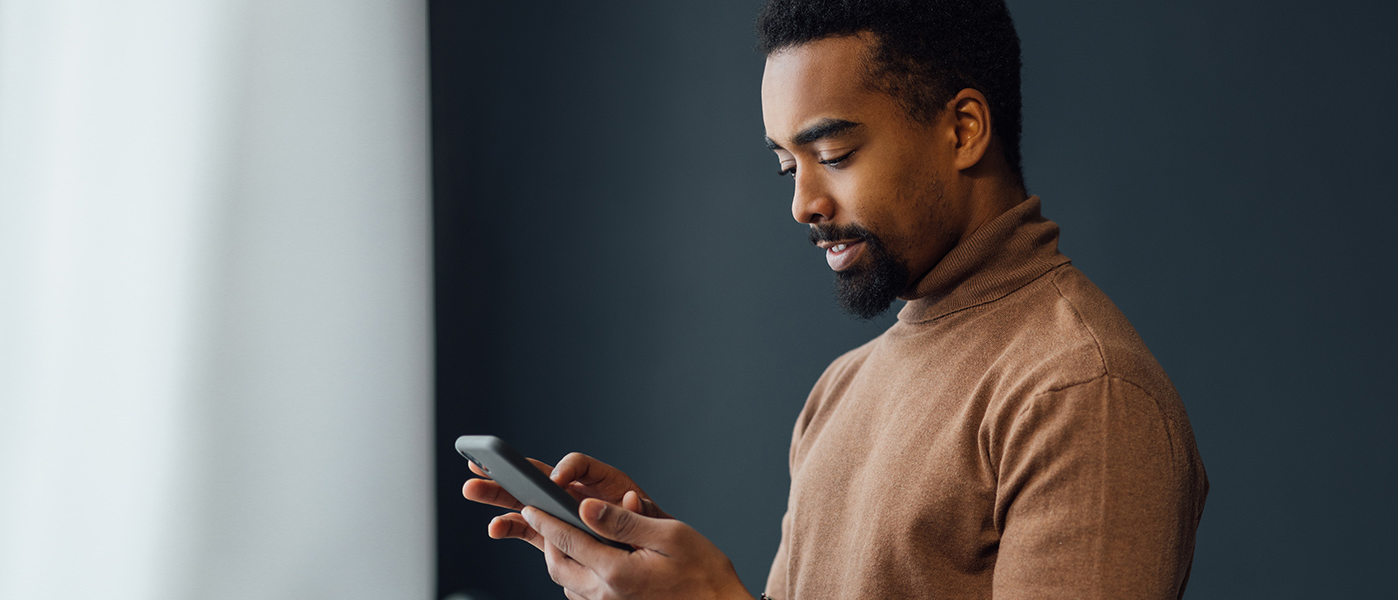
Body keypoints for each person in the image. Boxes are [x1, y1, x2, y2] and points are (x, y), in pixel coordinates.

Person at [459, 0, 1209, 598]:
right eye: (789, 167)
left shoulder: (1082, 391)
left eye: (834, 156)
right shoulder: (840, 390)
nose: (803, 204)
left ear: (964, 129)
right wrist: (655, 565)